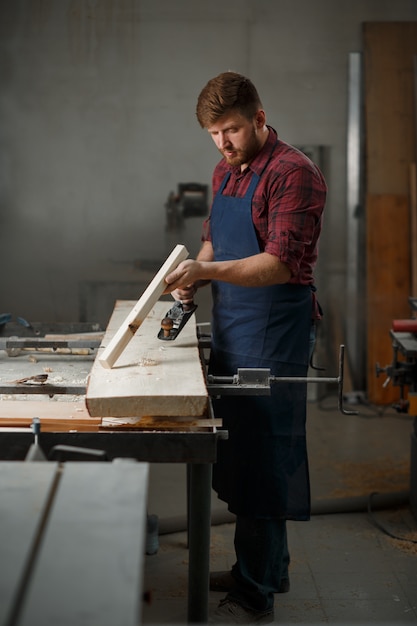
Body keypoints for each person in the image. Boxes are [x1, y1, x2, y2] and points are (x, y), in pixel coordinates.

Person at [164, 71, 327, 624]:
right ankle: (259, 570)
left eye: (231, 129)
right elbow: (215, 237)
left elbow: (279, 263)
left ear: (259, 118)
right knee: (241, 455)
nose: (223, 143)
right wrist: (196, 277)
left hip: (277, 326)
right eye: (213, 133)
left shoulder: (294, 173)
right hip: (236, 320)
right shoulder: (225, 169)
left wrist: (209, 268)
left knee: (265, 456)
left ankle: (255, 594)